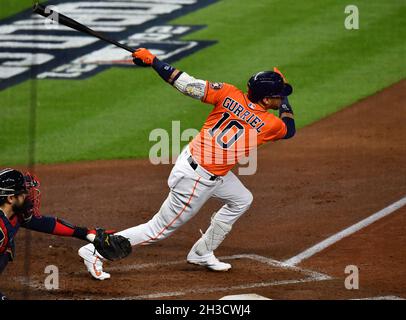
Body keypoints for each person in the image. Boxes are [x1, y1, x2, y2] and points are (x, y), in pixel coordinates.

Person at [78, 48, 296, 280]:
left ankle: (202, 251)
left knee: (241, 199)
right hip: (198, 179)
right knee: (157, 229)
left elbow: (186, 84)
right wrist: (286, 99)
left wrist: (154, 61)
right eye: (278, 95)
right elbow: (290, 129)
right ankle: (95, 250)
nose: (280, 98)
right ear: (265, 99)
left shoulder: (227, 93)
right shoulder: (269, 124)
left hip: (195, 161)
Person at [0, 168, 131, 298]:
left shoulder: (16, 214)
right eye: (24, 193)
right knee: (6, 244)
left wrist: (86, 234)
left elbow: (46, 224)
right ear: (11, 198)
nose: (29, 197)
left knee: (7, 246)